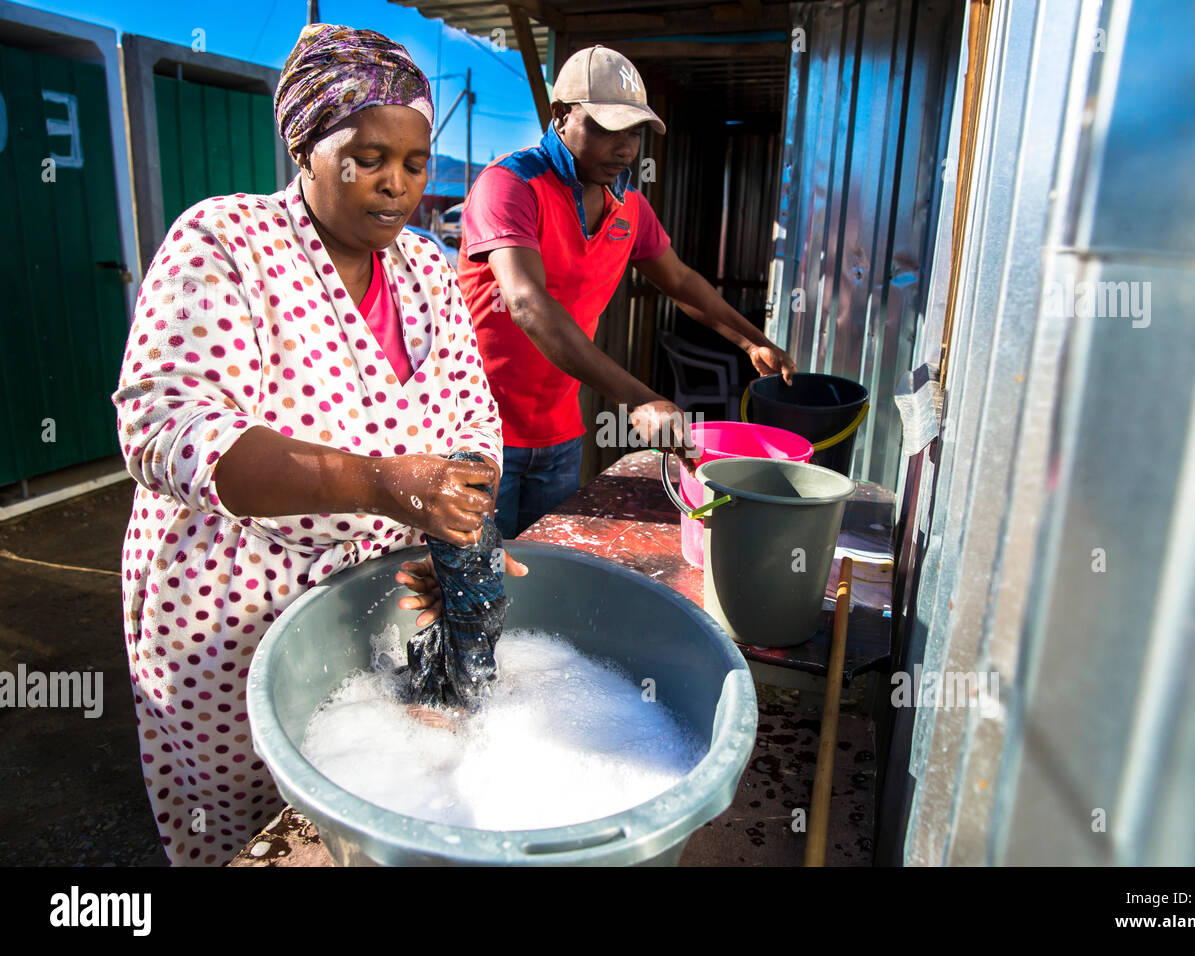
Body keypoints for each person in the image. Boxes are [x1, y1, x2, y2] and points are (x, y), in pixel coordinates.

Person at [113, 24, 519, 866]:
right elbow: (165, 430)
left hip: (373, 600)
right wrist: (380, 483)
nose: (398, 187)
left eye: (414, 163)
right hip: (229, 614)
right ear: (306, 143)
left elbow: (471, 417)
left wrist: (459, 532)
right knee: (251, 834)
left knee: (365, 808)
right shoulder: (228, 243)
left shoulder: (426, 271)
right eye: (368, 157)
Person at [457, 45, 798, 539]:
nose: (623, 147)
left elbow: (680, 282)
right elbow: (528, 303)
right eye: (606, 128)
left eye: (633, 132)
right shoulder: (510, 185)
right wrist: (641, 400)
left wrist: (752, 341)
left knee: (540, 581)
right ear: (561, 116)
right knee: (473, 587)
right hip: (478, 432)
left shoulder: (630, 207)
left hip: (559, 435)